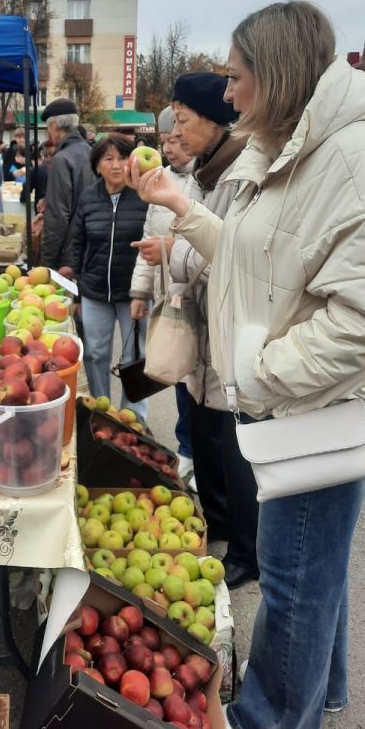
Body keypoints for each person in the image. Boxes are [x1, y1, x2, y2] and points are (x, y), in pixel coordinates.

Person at [128, 0, 365, 729]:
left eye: (237, 76)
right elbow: (255, 258)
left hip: (325, 397)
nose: (230, 91)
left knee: (293, 569)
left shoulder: (355, 158)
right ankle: (327, 685)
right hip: (303, 392)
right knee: (318, 561)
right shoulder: (286, 149)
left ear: (277, 76)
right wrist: (182, 209)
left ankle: (275, 726)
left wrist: (261, 373)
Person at [167, 73, 258, 587]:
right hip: (203, 327)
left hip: (229, 329)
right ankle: (219, 525)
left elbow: (216, 252)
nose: (177, 133)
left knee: (234, 444)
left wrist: (174, 253)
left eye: (182, 120)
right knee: (205, 431)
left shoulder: (237, 175)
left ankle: (247, 551)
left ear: (212, 120)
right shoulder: (204, 170)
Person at [129, 116, 197, 479]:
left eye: (178, 140)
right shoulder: (158, 180)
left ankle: (195, 452)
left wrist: (168, 251)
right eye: (164, 140)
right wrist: (140, 291)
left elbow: (210, 239)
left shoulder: (205, 182)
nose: (169, 147)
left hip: (195, 296)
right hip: (166, 297)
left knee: (195, 379)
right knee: (177, 373)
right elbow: (147, 240)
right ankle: (188, 450)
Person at [65, 134, 149, 417]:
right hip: (94, 290)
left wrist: (145, 290)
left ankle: (134, 415)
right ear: (97, 165)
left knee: (134, 356)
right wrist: (75, 291)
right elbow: (77, 245)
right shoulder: (89, 198)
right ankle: (101, 409)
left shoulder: (144, 195)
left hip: (134, 293)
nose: (116, 165)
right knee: (95, 353)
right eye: (108, 158)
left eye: (123, 157)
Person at [40, 98, 96, 268]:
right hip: (91, 244)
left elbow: (58, 216)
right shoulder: (90, 151)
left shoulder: (61, 159)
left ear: (55, 126)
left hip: (70, 251)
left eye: (48, 128)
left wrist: (46, 262)